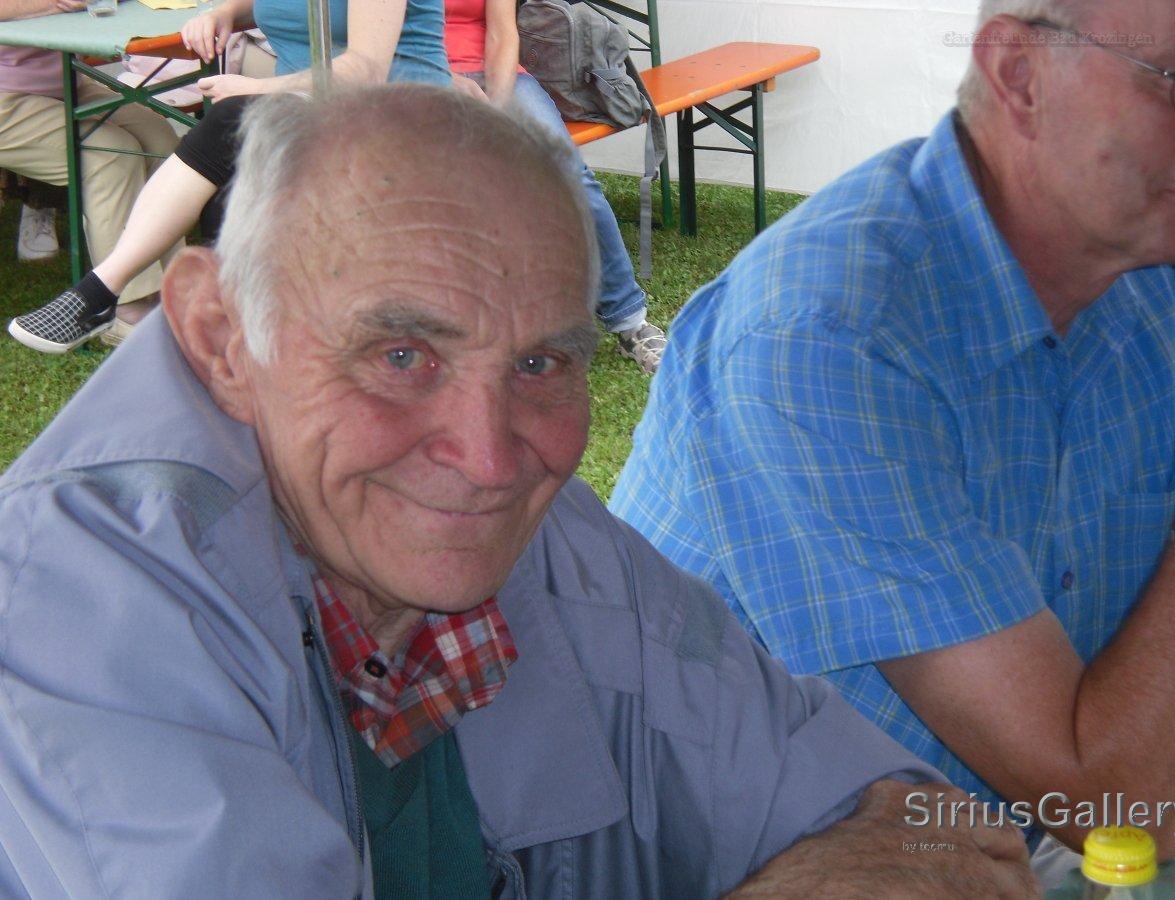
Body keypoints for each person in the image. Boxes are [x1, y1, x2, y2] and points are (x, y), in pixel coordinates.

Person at [0, 84, 1037, 898]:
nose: (493, 460)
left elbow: (913, 823)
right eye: (400, 354)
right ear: (222, 335)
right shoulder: (72, 599)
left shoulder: (549, 540)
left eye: (541, 362)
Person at [611, 0, 1175, 860]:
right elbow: (1114, 812)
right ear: (1021, 75)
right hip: (755, 864)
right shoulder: (828, 339)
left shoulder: (1146, 264)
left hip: (980, 836)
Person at [6, 0, 447, 353]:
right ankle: (234, 347)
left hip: (395, 116)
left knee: (231, 119)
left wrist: (257, 88)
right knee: (223, 202)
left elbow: (364, 70)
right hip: (309, 120)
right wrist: (225, 14)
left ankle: (99, 293)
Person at [446, 0, 667, 373]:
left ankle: (630, 322)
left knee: (569, 176)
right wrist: (444, 80)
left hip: (498, 74)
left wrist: (497, 109)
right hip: (418, 77)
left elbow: (502, 32)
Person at [0, 0, 181, 347]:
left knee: (159, 139)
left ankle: (174, 289)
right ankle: (125, 307)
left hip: (60, 81)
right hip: (8, 93)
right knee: (109, 157)